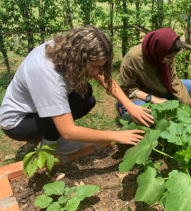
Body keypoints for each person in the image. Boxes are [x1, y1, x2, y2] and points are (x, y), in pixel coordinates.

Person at [0, 25, 154, 154]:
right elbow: (69, 131)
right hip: (18, 122)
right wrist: (116, 135)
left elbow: (102, 76)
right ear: (78, 59)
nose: (96, 72)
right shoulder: (47, 74)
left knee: (86, 96)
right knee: (64, 125)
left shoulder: (65, 48)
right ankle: (51, 144)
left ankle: (51, 132)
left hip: (36, 106)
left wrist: (130, 105)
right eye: (94, 67)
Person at [117, 28, 191, 119]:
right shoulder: (133, 58)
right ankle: (124, 110)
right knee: (146, 114)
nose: (170, 60)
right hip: (141, 97)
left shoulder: (167, 53)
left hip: (161, 92)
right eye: (168, 58)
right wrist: (154, 99)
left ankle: (166, 111)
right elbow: (128, 90)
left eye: (172, 57)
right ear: (158, 51)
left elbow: (173, 80)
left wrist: (188, 108)